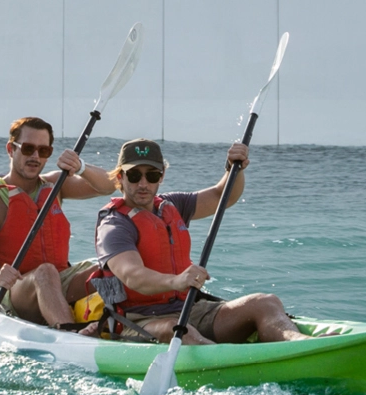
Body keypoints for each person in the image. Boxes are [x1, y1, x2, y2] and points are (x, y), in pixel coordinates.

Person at [91, 138, 308, 345]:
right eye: (134, 175)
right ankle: (227, 364)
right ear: (120, 177)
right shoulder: (114, 225)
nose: (143, 183)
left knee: (265, 302)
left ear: (162, 175)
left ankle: (298, 344)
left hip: (189, 308)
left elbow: (223, 196)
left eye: (153, 175)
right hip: (138, 320)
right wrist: (177, 281)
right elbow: (133, 276)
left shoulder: (172, 204)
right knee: (178, 330)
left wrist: (234, 168)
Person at [0, 117, 116, 327]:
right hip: (13, 292)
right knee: (45, 272)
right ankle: (69, 335)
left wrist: (80, 167)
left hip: (57, 281)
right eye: (28, 148)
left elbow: (111, 184)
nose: (35, 156)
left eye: (43, 151)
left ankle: (122, 327)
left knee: (112, 266)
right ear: (11, 149)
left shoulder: (56, 184)